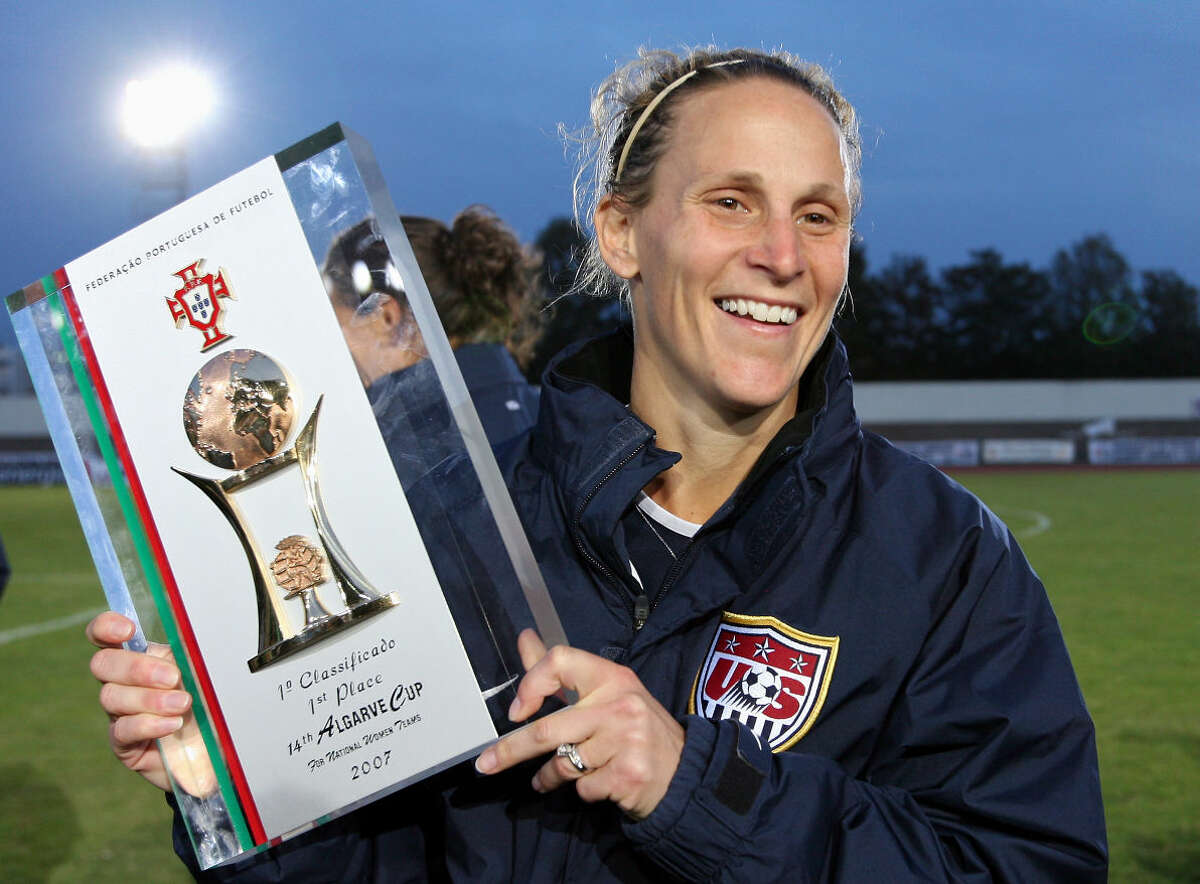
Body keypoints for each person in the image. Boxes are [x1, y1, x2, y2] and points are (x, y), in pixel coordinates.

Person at [88, 46, 1107, 881]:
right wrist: (239, 779)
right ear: (621, 230)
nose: (782, 256)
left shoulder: (947, 561)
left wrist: (697, 783)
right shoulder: (453, 516)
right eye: (731, 202)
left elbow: (1028, 864)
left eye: (818, 214)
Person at [323, 207, 541, 457]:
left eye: (338, 327)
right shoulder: (552, 411)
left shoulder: (411, 453)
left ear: (386, 317)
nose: (335, 354)